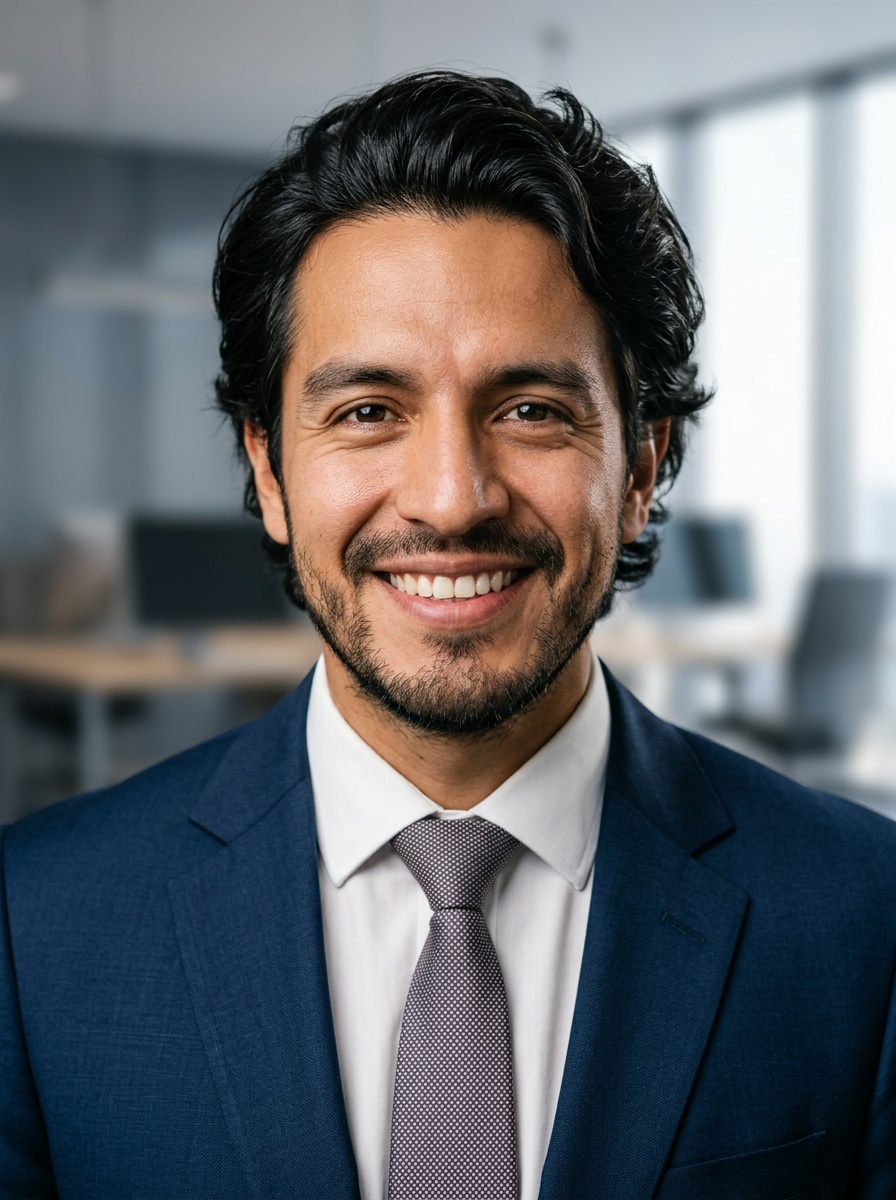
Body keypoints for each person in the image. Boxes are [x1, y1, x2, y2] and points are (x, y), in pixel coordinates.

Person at [1, 71, 894, 1200]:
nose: (451, 499)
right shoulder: (32, 925)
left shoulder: (865, 919)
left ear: (642, 465)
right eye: (368, 411)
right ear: (269, 470)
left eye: (531, 410)